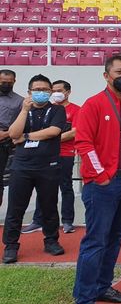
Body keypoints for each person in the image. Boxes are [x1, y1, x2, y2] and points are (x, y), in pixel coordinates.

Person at [72, 55, 121, 304]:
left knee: (115, 239)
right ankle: (83, 301)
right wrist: (100, 174)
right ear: (106, 76)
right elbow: (83, 143)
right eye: (118, 71)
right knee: (96, 241)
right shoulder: (93, 104)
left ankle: (103, 286)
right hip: (104, 185)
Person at [2, 74, 67, 264]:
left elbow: (53, 131)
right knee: (16, 208)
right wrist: (24, 110)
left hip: (48, 166)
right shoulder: (21, 109)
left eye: (46, 90)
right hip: (22, 167)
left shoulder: (57, 110)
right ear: (29, 92)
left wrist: (27, 136)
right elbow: (13, 134)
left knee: (49, 206)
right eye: (37, 90)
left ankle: (51, 241)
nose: (41, 93)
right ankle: (11, 246)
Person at [22, 80, 81, 235]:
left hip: (65, 154)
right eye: (53, 90)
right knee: (43, 189)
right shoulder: (48, 109)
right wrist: (46, 137)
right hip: (44, 155)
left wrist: (50, 137)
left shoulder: (76, 110)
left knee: (66, 187)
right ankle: (37, 220)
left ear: (68, 92)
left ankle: (67, 221)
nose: (55, 93)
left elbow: (74, 131)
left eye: (59, 90)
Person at [0, 69, 24, 207]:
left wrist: (6, 134)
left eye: (9, 83)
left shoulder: (19, 101)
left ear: (14, 82)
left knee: (4, 180)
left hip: (7, 142)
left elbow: (22, 123)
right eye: (3, 82)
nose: (6, 85)